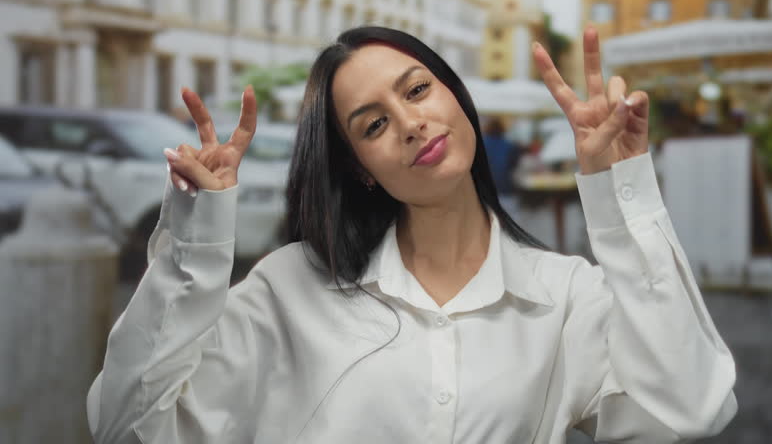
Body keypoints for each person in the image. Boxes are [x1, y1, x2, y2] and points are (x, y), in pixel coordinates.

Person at [86, 27, 737, 443]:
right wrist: (198, 234)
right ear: (362, 172)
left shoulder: (566, 297)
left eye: (419, 90)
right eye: (372, 125)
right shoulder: (287, 292)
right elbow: (127, 427)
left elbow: (695, 410)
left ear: (456, 98)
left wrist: (620, 184)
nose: (410, 123)